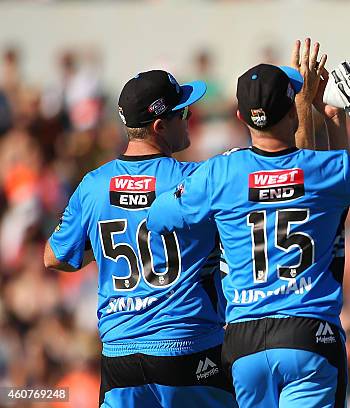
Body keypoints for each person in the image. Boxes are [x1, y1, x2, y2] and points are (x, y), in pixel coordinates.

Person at [146, 61, 350, 407]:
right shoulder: (325, 169)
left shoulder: (220, 173)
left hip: (243, 341)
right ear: (293, 111)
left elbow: (158, 216)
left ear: (241, 118)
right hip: (308, 332)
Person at [43, 70, 237, 408]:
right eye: (184, 113)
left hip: (121, 357)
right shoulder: (194, 180)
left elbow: (55, 256)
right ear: (160, 126)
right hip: (189, 347)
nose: (190, 120)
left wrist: (102, 248)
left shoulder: (93, 185)